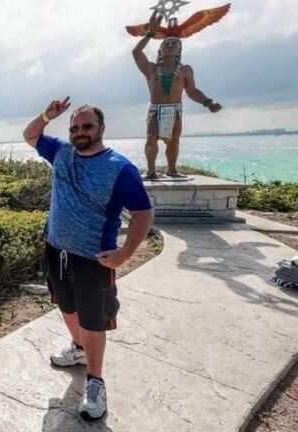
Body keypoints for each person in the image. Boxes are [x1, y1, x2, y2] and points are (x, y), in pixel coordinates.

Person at [23, 98, 154, 420]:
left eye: (87, 126)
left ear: (101, 129)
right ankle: (78, 350)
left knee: (93, 321)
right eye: (75, 127)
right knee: (66, 306)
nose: (80, 132)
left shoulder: (119, 168)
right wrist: (46, 116)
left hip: (95, 258)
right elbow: (30, 135)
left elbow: (143, 213)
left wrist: (125, 253)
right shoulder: (62, 153)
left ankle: (96, 383)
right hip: (56, 250)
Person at [133, 11, 222, 180]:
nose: (169, 46)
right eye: (166, 44)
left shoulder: (185, 70)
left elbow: (192, 91)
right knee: (151, 138)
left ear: (180, 50)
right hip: (155, 109)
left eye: (174, 44)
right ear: (160, 50)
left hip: (175, 109)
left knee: (174, 140)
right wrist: (150, 33)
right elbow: (136, 53)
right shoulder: (151, 69)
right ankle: (150, 171)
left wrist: (208, 102)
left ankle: (172, 170)